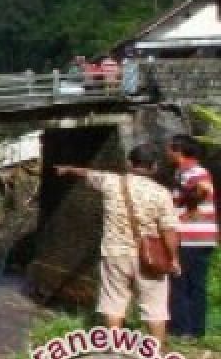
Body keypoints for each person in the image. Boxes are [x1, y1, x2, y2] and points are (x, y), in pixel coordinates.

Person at [55, 144, 181, 345]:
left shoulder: (111, 182)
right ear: (154, 167)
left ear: (129, 164)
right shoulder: (161, 193)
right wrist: (173, 257)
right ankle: (158, 355)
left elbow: (89, 173)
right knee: (155, 306)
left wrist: (69, 169)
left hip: (115, 253)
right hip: (150, 256)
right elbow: (168, 229)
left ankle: (116, 350)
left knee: (114, 303)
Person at [166, 135, 216, 338]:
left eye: (169, 149)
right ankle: (195, 329)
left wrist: (189, 210)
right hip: (199, 237)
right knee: (192, 284)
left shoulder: (196, 171)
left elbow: (204, 189)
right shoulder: (181, 172)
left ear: (178, 151)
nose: (166, 153)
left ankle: (183, 330)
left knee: (182, 283)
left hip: (191, 237)